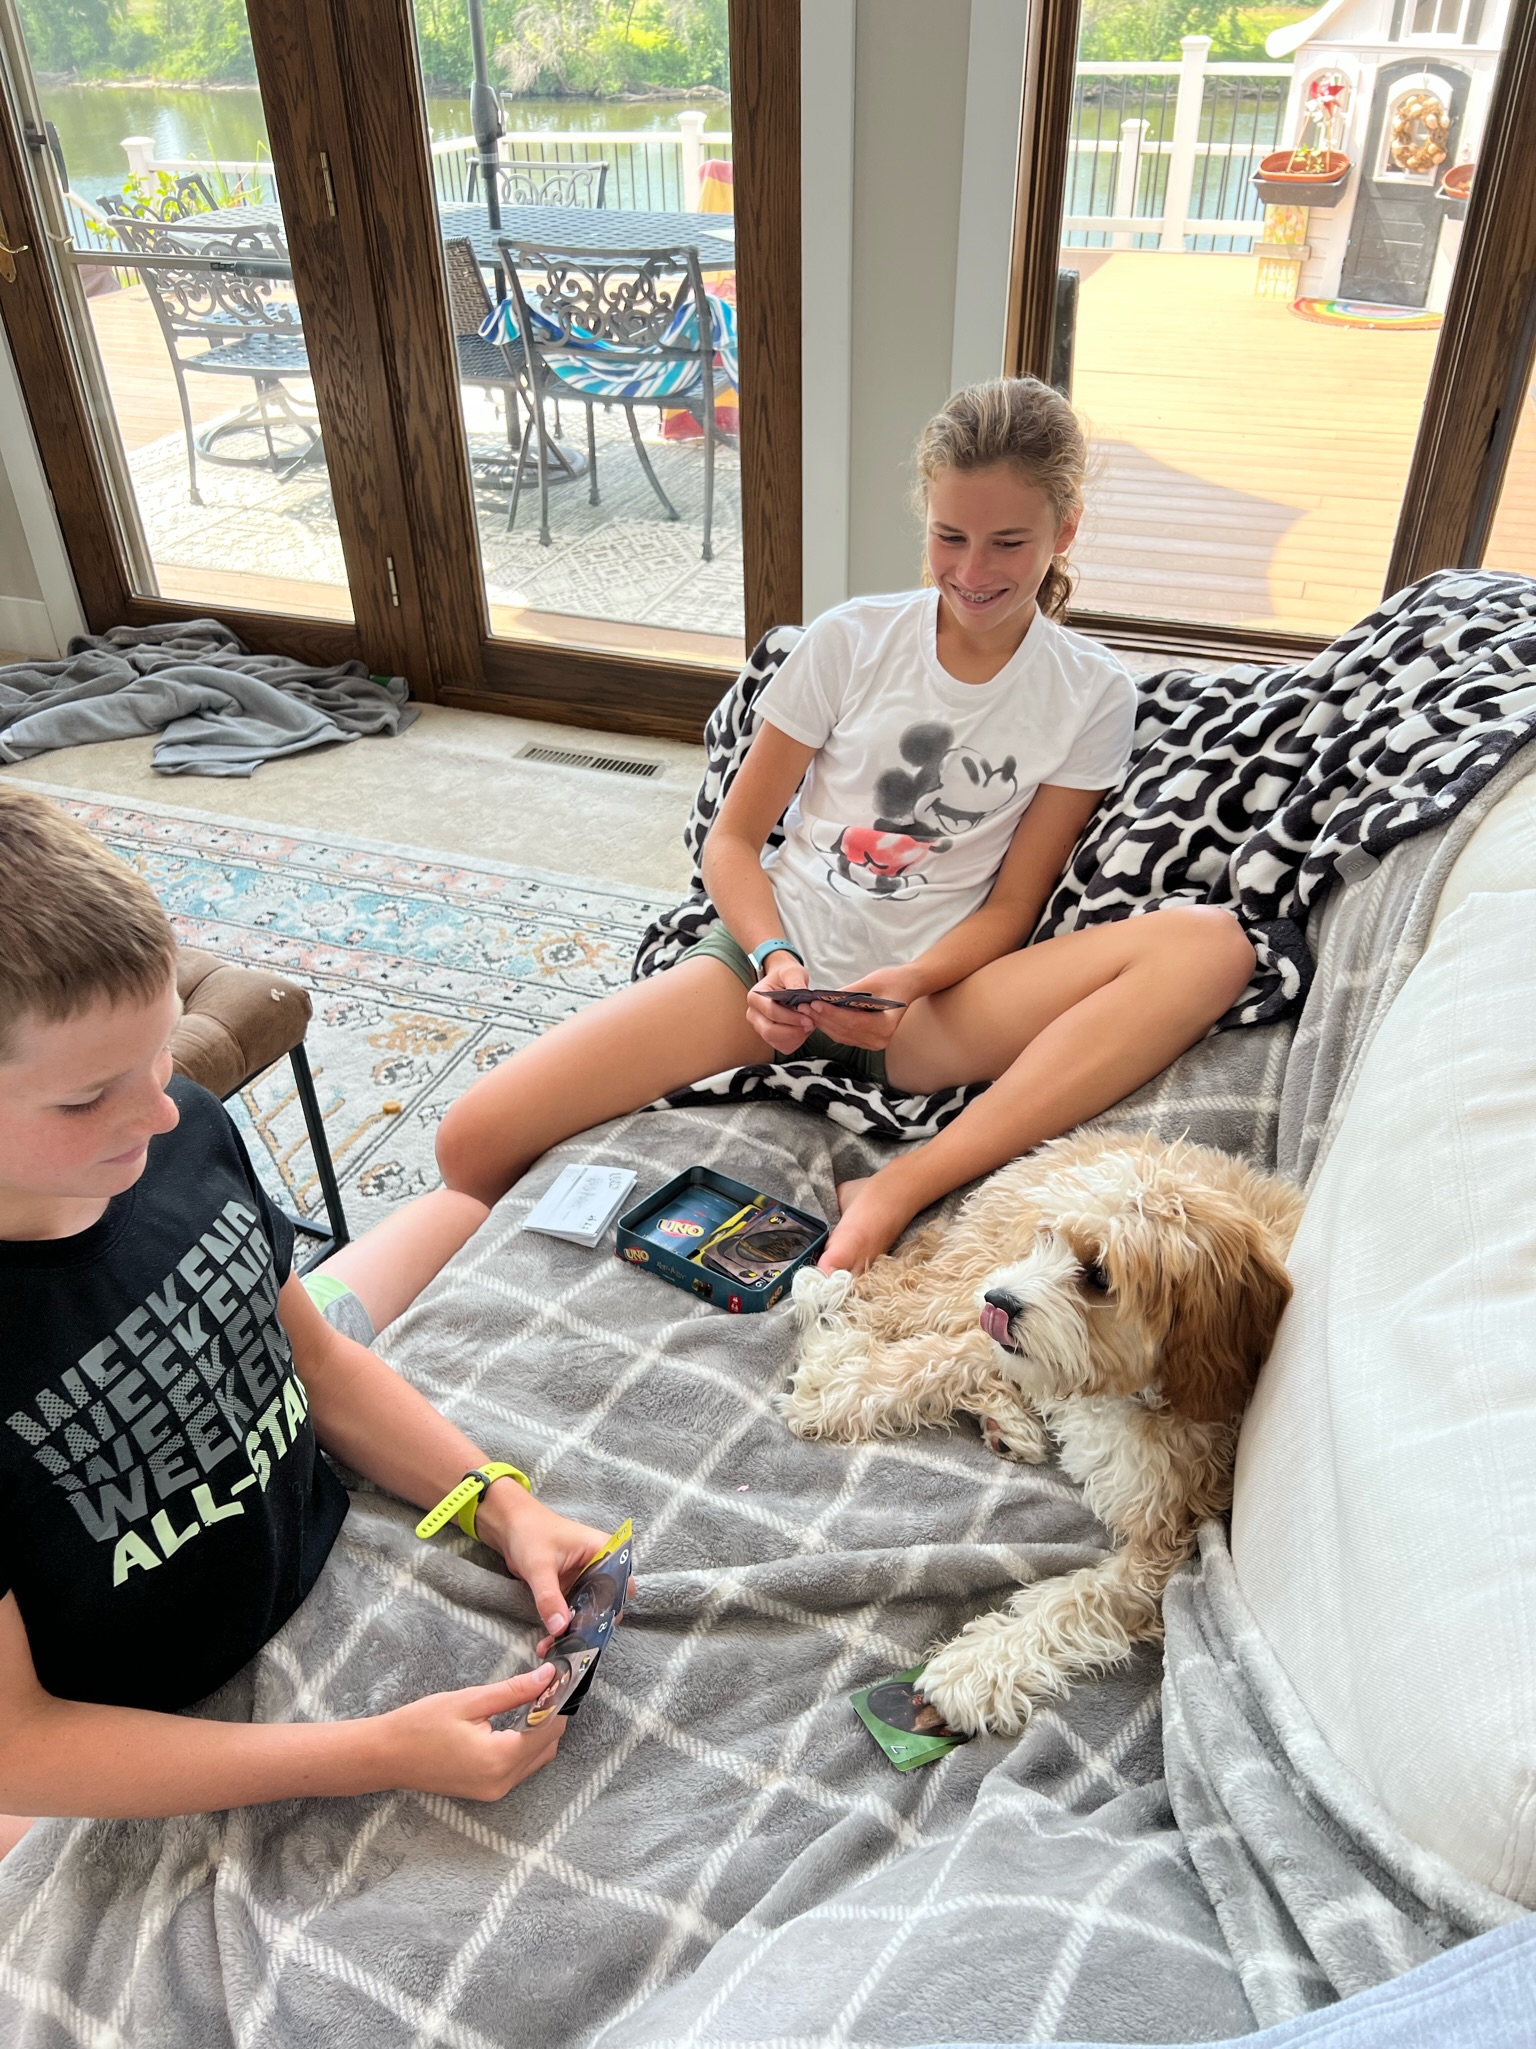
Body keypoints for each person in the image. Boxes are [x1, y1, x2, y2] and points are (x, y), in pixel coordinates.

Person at [436, 377, 1255, 1273]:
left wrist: (910, 982)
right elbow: (731, 842)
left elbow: (1012, 907)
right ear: (925, 518)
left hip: (931, 1008)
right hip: (767, 976)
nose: (973, 571)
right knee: (469, 1142)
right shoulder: (849, 639)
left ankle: (902, 1184)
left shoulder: (1093, 693)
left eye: (1009, 543)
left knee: (1212, 948)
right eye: (950, 536)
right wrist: (773, 958)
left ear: (1065, 530)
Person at [0, 788, 619, 1860]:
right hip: (142, 1720)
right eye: (88, 1096)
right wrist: (371, 1752)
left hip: (298, 1542)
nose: (162, 1109)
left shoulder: (181, 1131)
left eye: (162, 1050)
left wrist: (499, 1503)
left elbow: (317, 1363)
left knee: (457, 1214)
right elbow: (21, 1744)